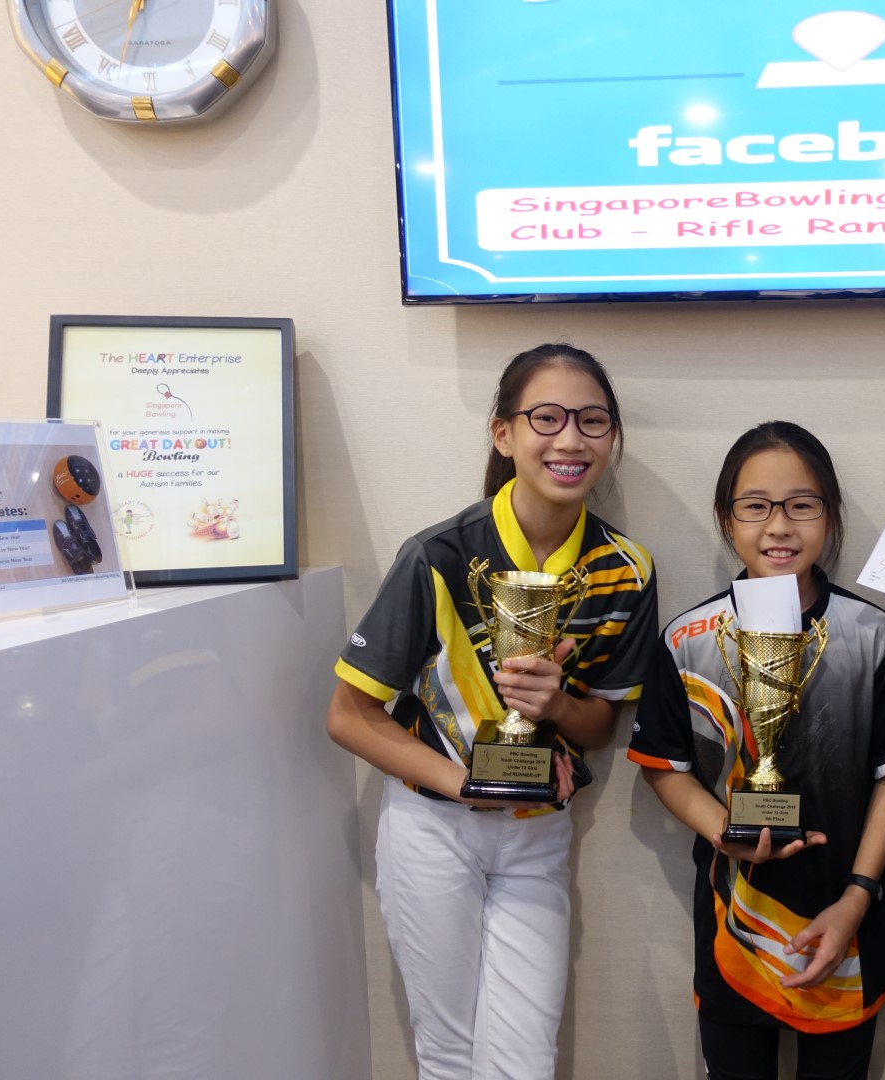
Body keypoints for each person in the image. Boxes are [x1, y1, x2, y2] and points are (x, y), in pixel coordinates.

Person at [326, 344, 659, 1080]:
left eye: (593, 421)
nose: (571, 439)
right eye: (548, 418)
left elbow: (601, 725)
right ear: (503, 434)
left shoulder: (626, 569)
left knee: (524, 1061)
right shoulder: (438, 555)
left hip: (538, 831)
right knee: (448, 1054)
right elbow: (348, 716)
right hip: (432, 825)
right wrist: (468, 786)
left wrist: (557, 704)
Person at [629, 421, 885, 1080]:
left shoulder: (872, 634)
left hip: (845, 918)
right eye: (755, 506)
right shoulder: (689, 638)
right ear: (726, 518)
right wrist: (722, 831)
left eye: (802, 504)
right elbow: (666, 768)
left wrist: (858, 896)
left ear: (831, 515)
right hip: (734, 927)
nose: (779, 525)